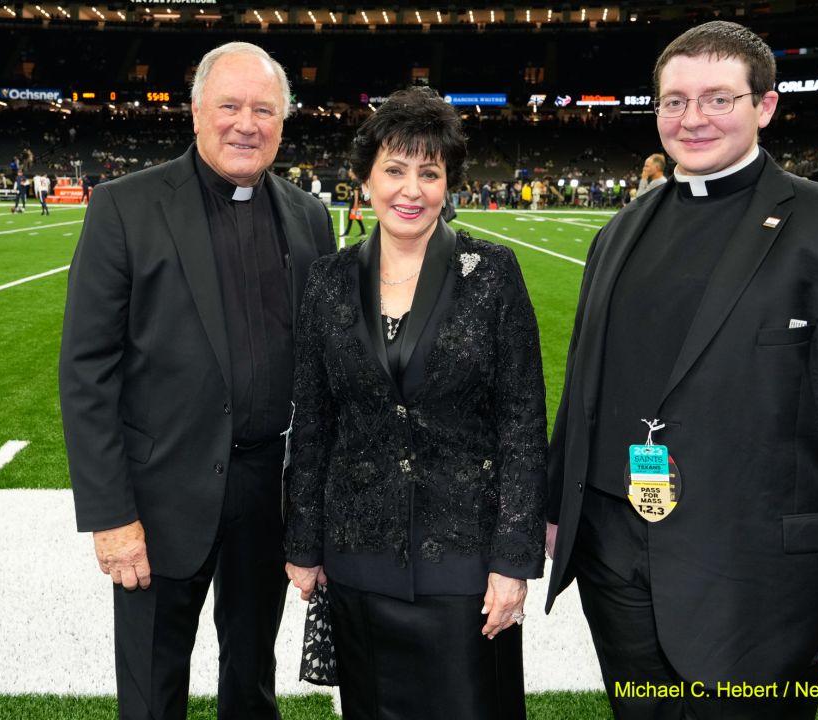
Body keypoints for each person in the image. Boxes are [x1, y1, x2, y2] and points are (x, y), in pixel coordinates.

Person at [543, 21, 818, 720]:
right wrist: (554, 510)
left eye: (718, 98)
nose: (692, 118)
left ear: (766, 106)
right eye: (674, 101)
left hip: (755, 578)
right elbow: (586, 385)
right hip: (617, 561)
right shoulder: (619, 231)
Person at [58, 41, 335, 720]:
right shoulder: (126, 207)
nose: (247, 123)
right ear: (195, 113)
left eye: (264, 109)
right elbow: (86, 368)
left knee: (252, 677)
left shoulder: (308, 216)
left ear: (283, 120)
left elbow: (324, 365)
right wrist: (110, 515)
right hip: (157, 500)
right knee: (153, 691)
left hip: (266, 495)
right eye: (230, 106)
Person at [283, 86, 547, 720]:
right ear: (365, 180)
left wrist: (513, 560)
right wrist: (302, 543)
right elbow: (314, 420)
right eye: (395, 170)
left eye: (429, 173)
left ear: (448, 182)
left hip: (464, 562)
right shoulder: (328, 280)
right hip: (357, 555)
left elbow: (522, 422)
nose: (411, 189)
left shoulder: (493, 271)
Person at [341, 168, 366, 238]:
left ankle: (346, 233)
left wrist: (355, 204)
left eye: (349, 172)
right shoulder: (353, 181)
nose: (348, 173)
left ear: (353, 172)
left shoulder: (355, 181)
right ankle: (363, 232)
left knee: (350, 217)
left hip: (354, 203)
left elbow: (356, 193)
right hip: (354, 202)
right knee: (356, 218)